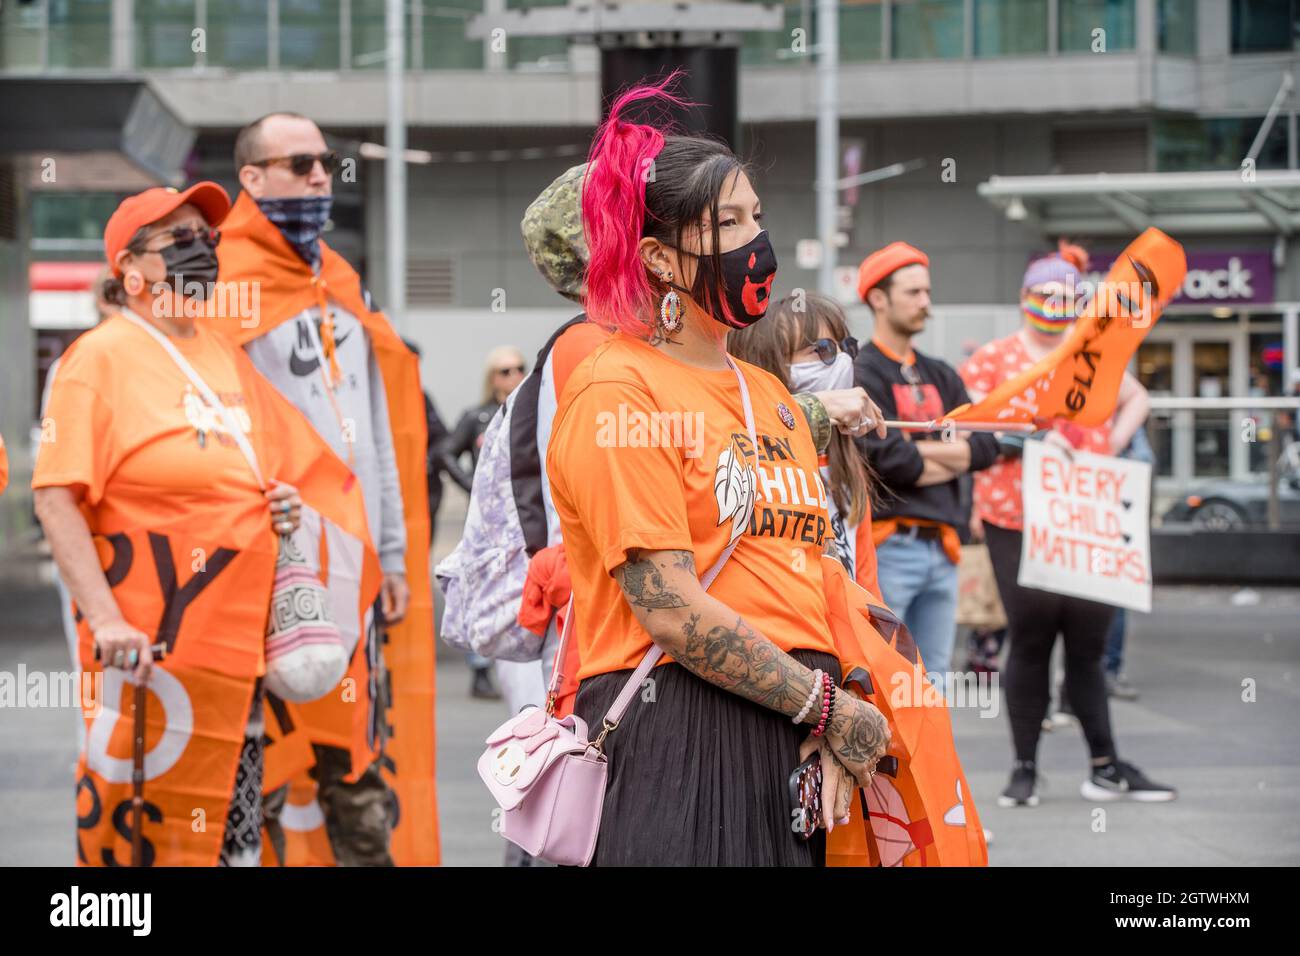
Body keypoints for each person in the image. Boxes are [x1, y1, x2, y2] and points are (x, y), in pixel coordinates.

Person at [544, 79, 890, 866]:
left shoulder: (767, 394)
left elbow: (814, 576)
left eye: (756, 217)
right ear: (660, 259)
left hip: (792, 731)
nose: (753, 241)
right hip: (683, 724)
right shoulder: (616, 389)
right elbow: (670, 607)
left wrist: (839, 707)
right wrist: (826, 707)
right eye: (726, 223)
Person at [31, 183, 378, 866]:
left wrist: (278, 505)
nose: (204, 252)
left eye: (208, 238)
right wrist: (104, 622)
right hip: (149, 657)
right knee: (140, 838)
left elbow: (270, 469)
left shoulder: (222, 352)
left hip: (234, 656)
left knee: (232, 835)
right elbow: (55, 499)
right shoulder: (96, 362)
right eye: (180, 240)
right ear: (129, 269)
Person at [214, 111, 437, 866]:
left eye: (324, 163)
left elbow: (376, 431)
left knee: (356, 766)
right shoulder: (221, 287)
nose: (320, 177)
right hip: (264, 571)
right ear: (252, 178)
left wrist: (395, 557)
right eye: (300, 163)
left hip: (355, 569)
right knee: (261, 763)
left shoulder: (340, 284)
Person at [960, 241, 1174, 807]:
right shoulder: (992, 358)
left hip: (1087, 515)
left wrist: (1108, 446)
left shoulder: (1093, 354)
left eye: (1067, 298)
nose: (1056, 306)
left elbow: (1138, 398)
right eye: (1046, 295)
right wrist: (1029, 439)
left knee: (1088, 643)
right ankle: (1024, 769)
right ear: (1024, 297)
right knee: (1029, 640)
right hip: (1015, 517)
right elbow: (970, 428)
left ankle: (1105, 765)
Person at [853, 242, 999, 689]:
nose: (925, 303)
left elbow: (988, 445)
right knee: (883, 676)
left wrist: (920, 452)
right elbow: (888, 460)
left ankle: (929, 764)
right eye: (913, 293)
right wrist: (950, 454)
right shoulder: (863, 370)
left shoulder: (941, 373)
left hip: (945, 549)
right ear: (879, 298)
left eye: (927, 292)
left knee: (933, 684)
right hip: (891, 546)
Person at [728, 292, 883, 598]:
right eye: (821, 350)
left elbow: (867, 588)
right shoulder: (746, 460)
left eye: (846, 348)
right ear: (769, 362)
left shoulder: (845, 467)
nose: (841, 361)